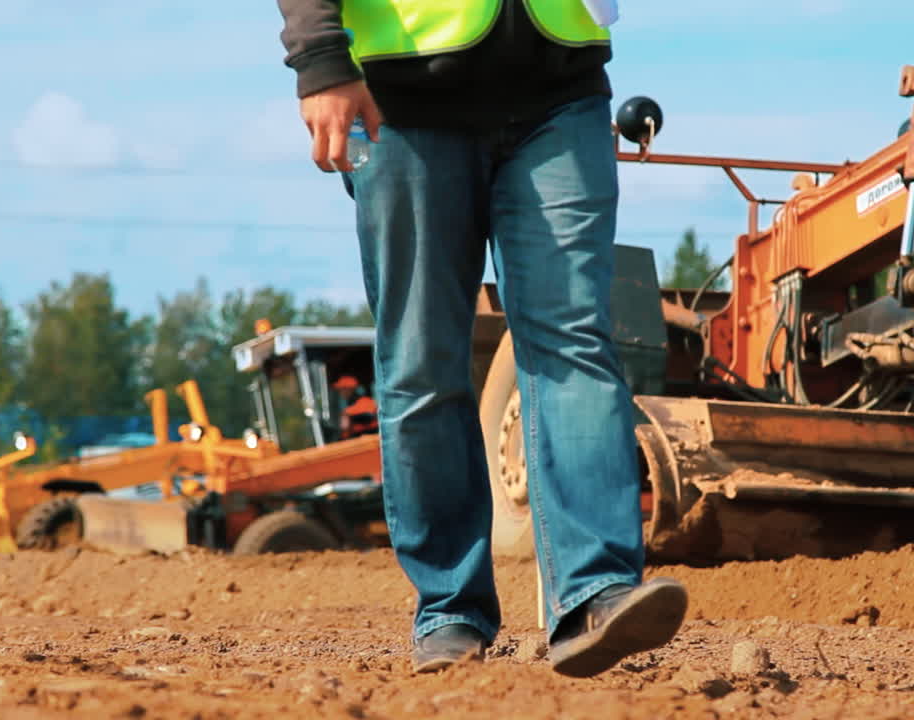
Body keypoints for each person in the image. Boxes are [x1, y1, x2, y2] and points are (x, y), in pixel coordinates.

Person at [275, 0, 688, 678]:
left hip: (562, 88)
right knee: (421, 363)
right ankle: (450, 609)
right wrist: (319, 58)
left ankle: (595, 594)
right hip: (401, 98)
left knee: (576, 340)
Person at [333, 375, 378, 439]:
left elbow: (370, 416)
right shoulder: (348, 407)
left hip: (370, 440)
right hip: (356, 440)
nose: (340, 393)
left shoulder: (366, 401)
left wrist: (350, 417)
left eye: (341, 389)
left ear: (349, 389)